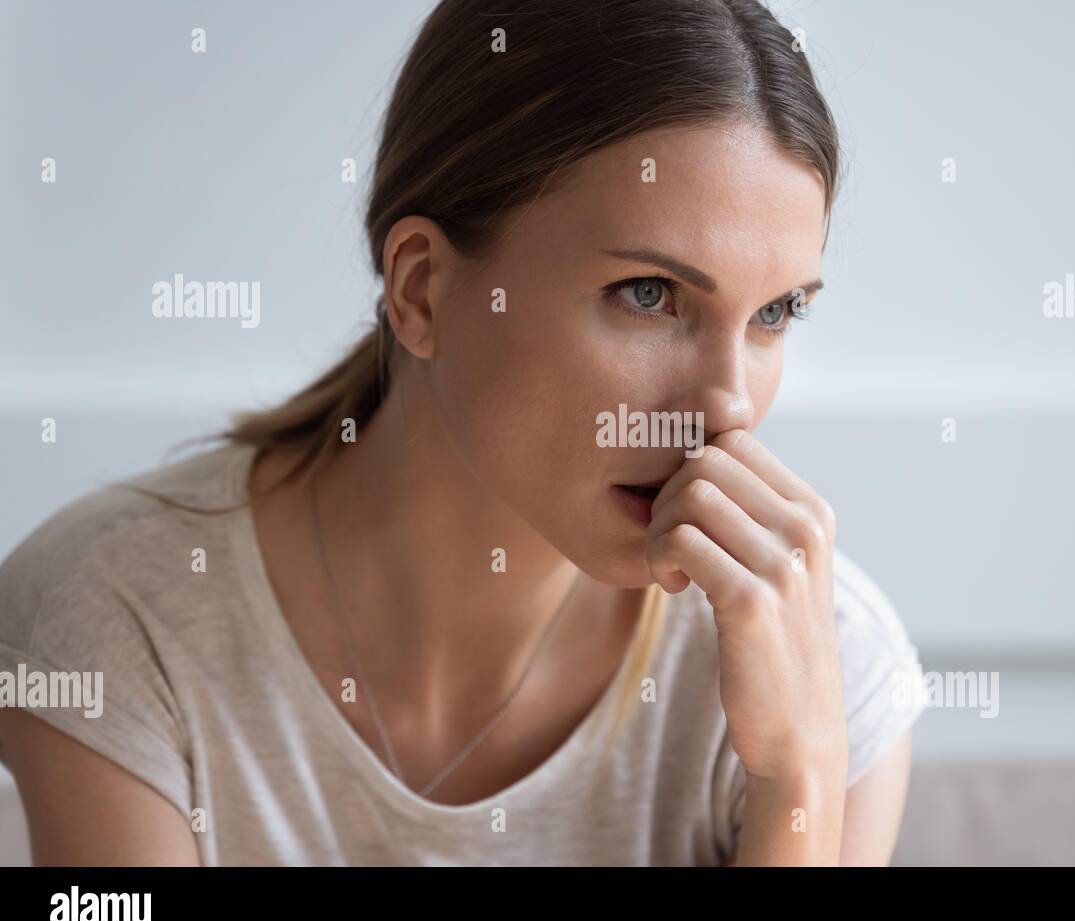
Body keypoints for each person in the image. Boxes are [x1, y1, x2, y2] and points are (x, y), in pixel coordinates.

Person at [0, 0, 925, 866]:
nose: (726, 407)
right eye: (647, 295)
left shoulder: (828, 665)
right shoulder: (113, 622)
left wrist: (798, 773)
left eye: (776, 314)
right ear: (422, 290)